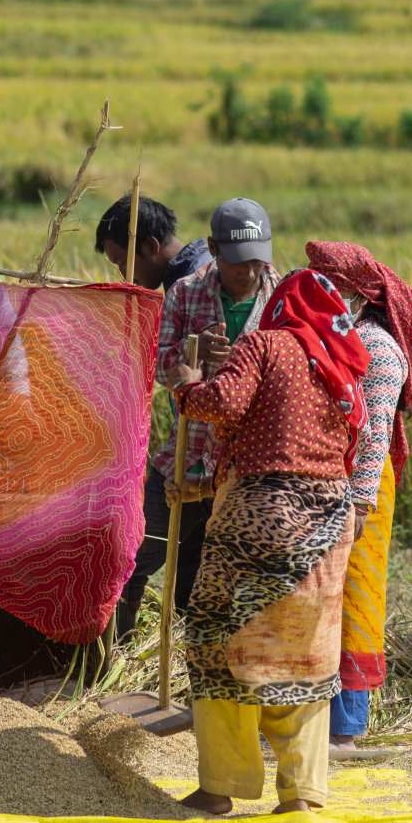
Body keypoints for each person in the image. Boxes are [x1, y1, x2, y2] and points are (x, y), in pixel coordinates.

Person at [170, 266, 371, 815]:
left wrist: (187, 382)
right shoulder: (346, 368)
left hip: (256, 518)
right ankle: (302, 794)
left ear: (283, 305)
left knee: (219, 647)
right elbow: (362, 443)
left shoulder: (265, 344)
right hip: (328, 526)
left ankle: (219, 787)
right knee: (304, 660)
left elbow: (225, 404)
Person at [114, 199, 280, 638]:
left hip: (246, 466)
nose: (248, 272)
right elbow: (161, 366)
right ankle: (111, 655)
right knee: (138, 553)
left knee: (225, 574)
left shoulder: (280, 297)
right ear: (212, 248)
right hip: (189, 452)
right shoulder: (187, 292)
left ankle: (214, 668)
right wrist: (196, 352)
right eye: (236, 262)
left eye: (255, 261)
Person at [299, 242, 412, 756]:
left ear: (356, 293)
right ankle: (307, 716)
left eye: (328, 283)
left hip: (364, 488)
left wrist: (356, 506)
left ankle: (347, 728)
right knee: (316, 597)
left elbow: (375, 434)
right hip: (322, 479)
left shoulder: (378, 349)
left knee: (354, 596)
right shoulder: (329, 338)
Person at [92, 195, 208, 293]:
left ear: (150, 246)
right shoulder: (205, 259)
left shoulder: (192, 286)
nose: (125, 277)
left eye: (123, 263)